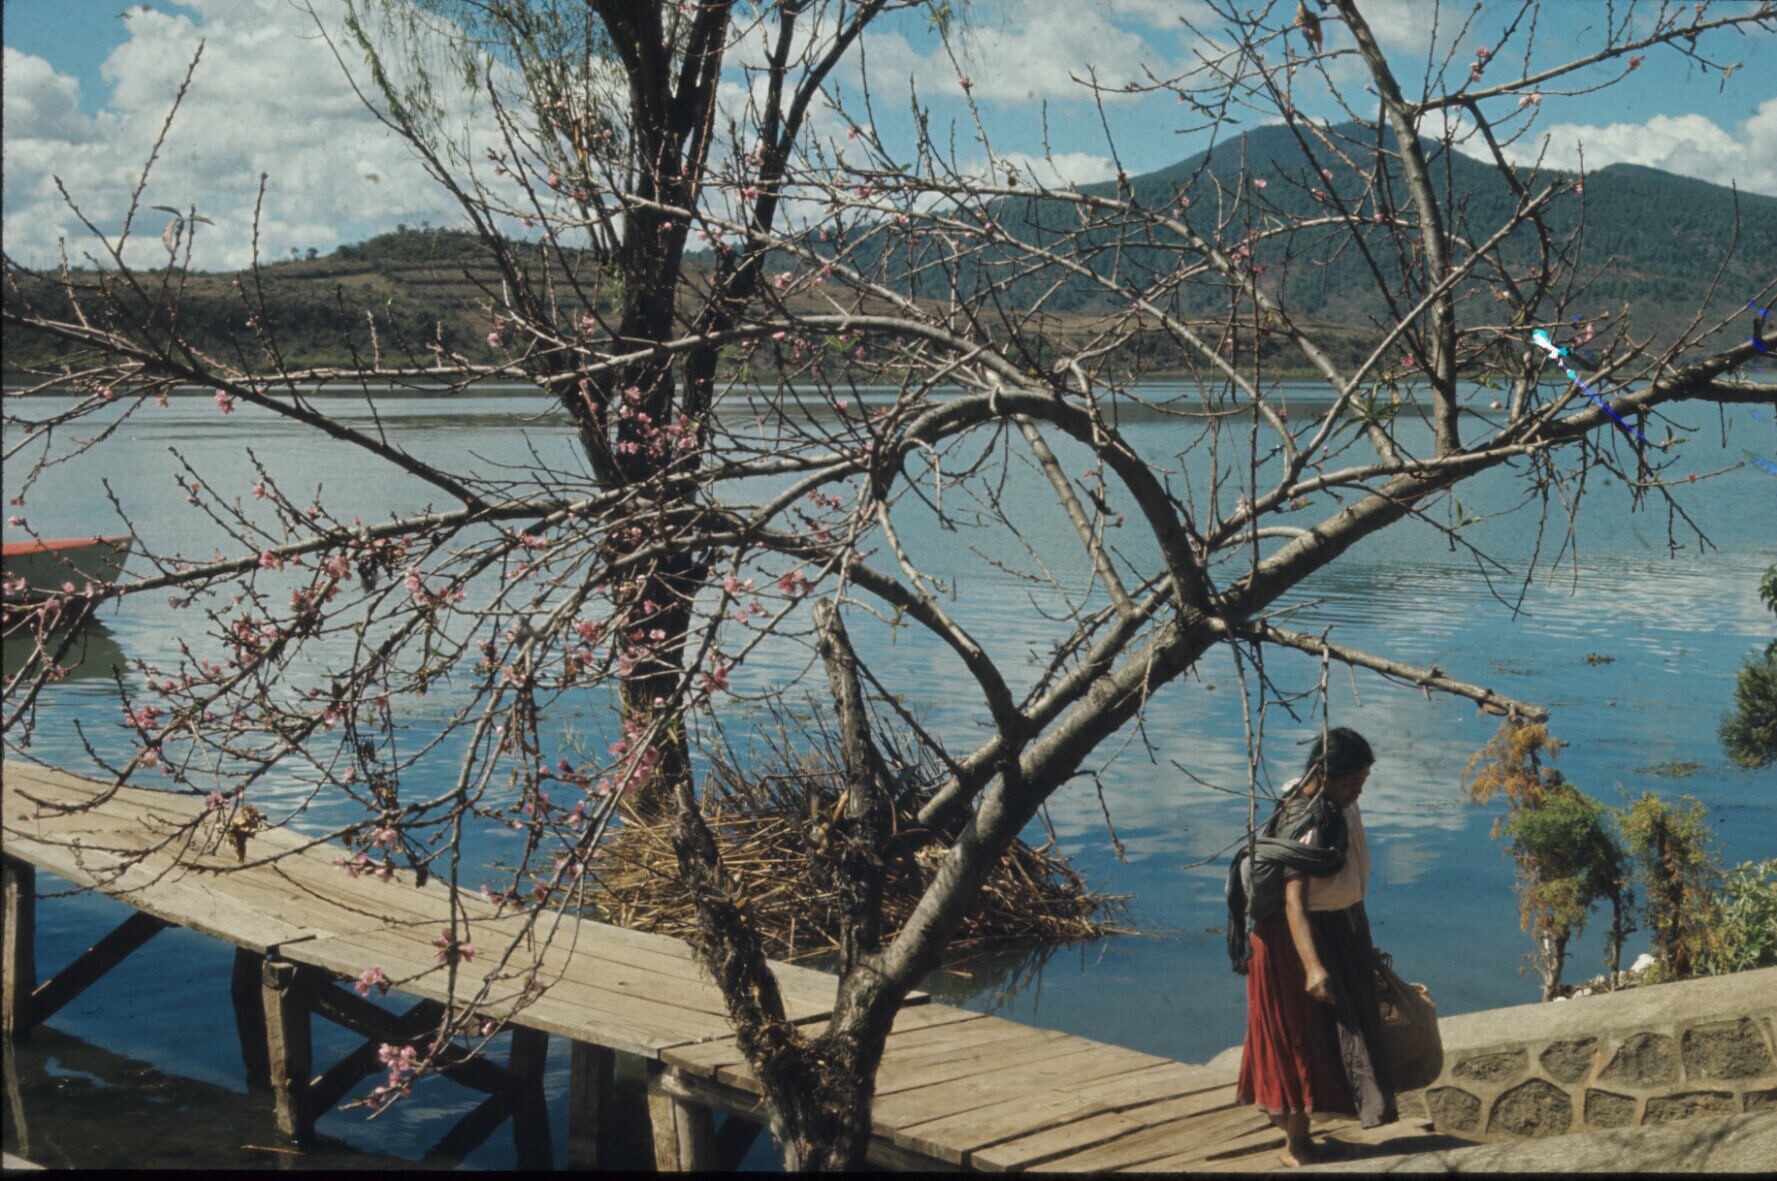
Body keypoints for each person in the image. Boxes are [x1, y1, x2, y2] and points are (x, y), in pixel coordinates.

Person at [1231, 727, 1395, 1167]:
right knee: (1298, 1038)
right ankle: (1296, 1146)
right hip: (1290, 943)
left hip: (1332, 931)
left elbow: (1352, 881)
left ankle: (1304, 1138)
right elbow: (1295, 902)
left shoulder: (1340, 807)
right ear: (1323, 774)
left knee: (1325, 1036)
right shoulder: (1307, 821)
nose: (1358, 790)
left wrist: (1362, 939)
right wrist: (1313, 967)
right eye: (1352, 781)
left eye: (1363, 781)